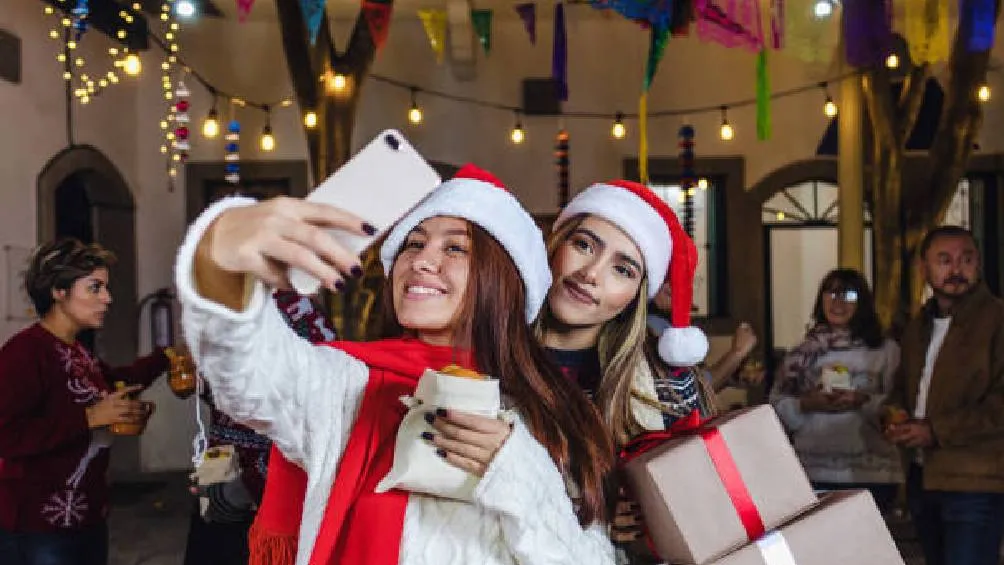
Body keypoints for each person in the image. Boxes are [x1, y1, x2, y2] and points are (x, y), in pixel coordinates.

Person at [176, 165, 616, 565]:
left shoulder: (552, 414)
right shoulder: (348, 383)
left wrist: (516, 469)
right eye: (414, 243)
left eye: (456, 248)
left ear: (504, 280)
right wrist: (219, 258)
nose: (422, 261)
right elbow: (249, 373)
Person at [534, 180, 713, 562]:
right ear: (556, 244)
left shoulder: (665, 385)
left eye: (623, 269)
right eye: (583, 245)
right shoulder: (484, 354)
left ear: (637, 295)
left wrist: (643, 525)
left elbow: (703, 515)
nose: (591, 274)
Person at [0, 238, 170, 565]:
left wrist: (166, 359)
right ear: (58, 291)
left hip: (86, 518)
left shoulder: (76, 351)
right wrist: (88, 418)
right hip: (39, 527)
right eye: (94, 288)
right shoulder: (24, 353)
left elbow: (115, 381)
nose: (107, 299)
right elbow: (6, 435)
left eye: (105, 288)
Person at [182, 289, 336, 565]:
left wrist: (245, 487)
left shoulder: (293, 314)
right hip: (223, 476)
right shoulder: (236, 305)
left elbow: (318, 414)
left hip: (259, 497)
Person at [885, 226, 1004, 565]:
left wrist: (935, 430)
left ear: (978, 264)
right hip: (924, 478)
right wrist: (893, 416)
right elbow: (902, 389)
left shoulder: (996, 320)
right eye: (944, 260)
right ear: (924, 268)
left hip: (977, 479)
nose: (956, 270)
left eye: (966, 260)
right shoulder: (918, 327)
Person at [769, 269, 902, 513]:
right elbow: (774, 408)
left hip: (871, 472)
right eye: (830, 292)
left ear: (862, 302)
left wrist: (863, 400)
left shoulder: (885, 350)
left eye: (848, 295)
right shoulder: (802, 352)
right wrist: (807, 404)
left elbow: (899, 405)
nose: (837, 301)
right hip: (812, 470)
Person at [648, 282, 763, 393]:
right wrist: (737, 353)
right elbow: (696, 390)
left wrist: (729, 377)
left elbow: (700, 390)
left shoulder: (666, 324)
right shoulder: (652, 325)